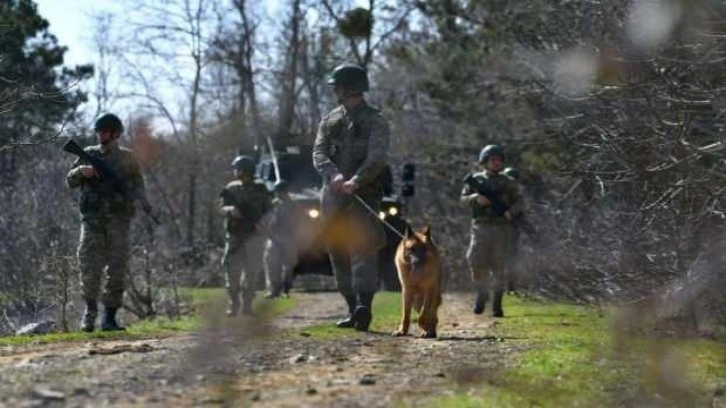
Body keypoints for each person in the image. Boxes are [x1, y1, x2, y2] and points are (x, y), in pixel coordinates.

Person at [312, 63, 390, 332]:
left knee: (363, 250)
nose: (335, 90)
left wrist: (357, 180)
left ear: (348, 88)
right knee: (337, 252)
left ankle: (364, 306)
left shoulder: (375, 120)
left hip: (363, 196)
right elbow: (319, 153)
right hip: (333, 199)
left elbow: (377, 157)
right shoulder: (330, 120)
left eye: (337, 86)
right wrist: (333, 175)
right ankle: (350, 308)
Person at [66, 113, 144, 332]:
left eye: (105, 131)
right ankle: (89, 314)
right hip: (92, 222)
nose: (101, 134)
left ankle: (109, 318)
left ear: (116, 133)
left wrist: (136, 202)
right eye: (99, 131)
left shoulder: (128, 159)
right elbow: (70, 181)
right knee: (89, 269)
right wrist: (80, 171)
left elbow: (138, 187)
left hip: (119, 223)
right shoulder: (88, 154)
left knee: (117, 271)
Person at [460, 145, 523, 317]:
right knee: (475, 260)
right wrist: (476, 198)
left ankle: (497, 303)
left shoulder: (508, 182)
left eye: (499, 160)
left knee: (499, 266)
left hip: (502, 228)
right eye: (492, 160)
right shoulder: (475, 179)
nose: (496, 163)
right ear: (485, 162)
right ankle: (482, 292)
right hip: (480, 227)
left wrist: (511, 211)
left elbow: (520, 201)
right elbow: (463, 199)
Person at [219, 155, 272, 316]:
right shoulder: (231, 188)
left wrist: (262, 223)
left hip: (254, 235)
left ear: (244, 170)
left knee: (252, 271)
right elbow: (221, 208)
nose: (235, 171)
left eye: (237, 169)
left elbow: (269, 211)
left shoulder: (260, 189)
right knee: (232, 271)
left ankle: (247, 305)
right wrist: (230, 210)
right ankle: (233, 303)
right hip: (235, 235)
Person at [262, 180, 298, 299]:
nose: (278, 194)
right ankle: (273, 290)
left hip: (288, 237)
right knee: (271, 264)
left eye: (280, 191)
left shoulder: (292, 205)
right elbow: (267, 219)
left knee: (288, 266)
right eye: (277, 191)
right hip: (273, 237)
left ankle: (285, 289)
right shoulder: (273, 204)